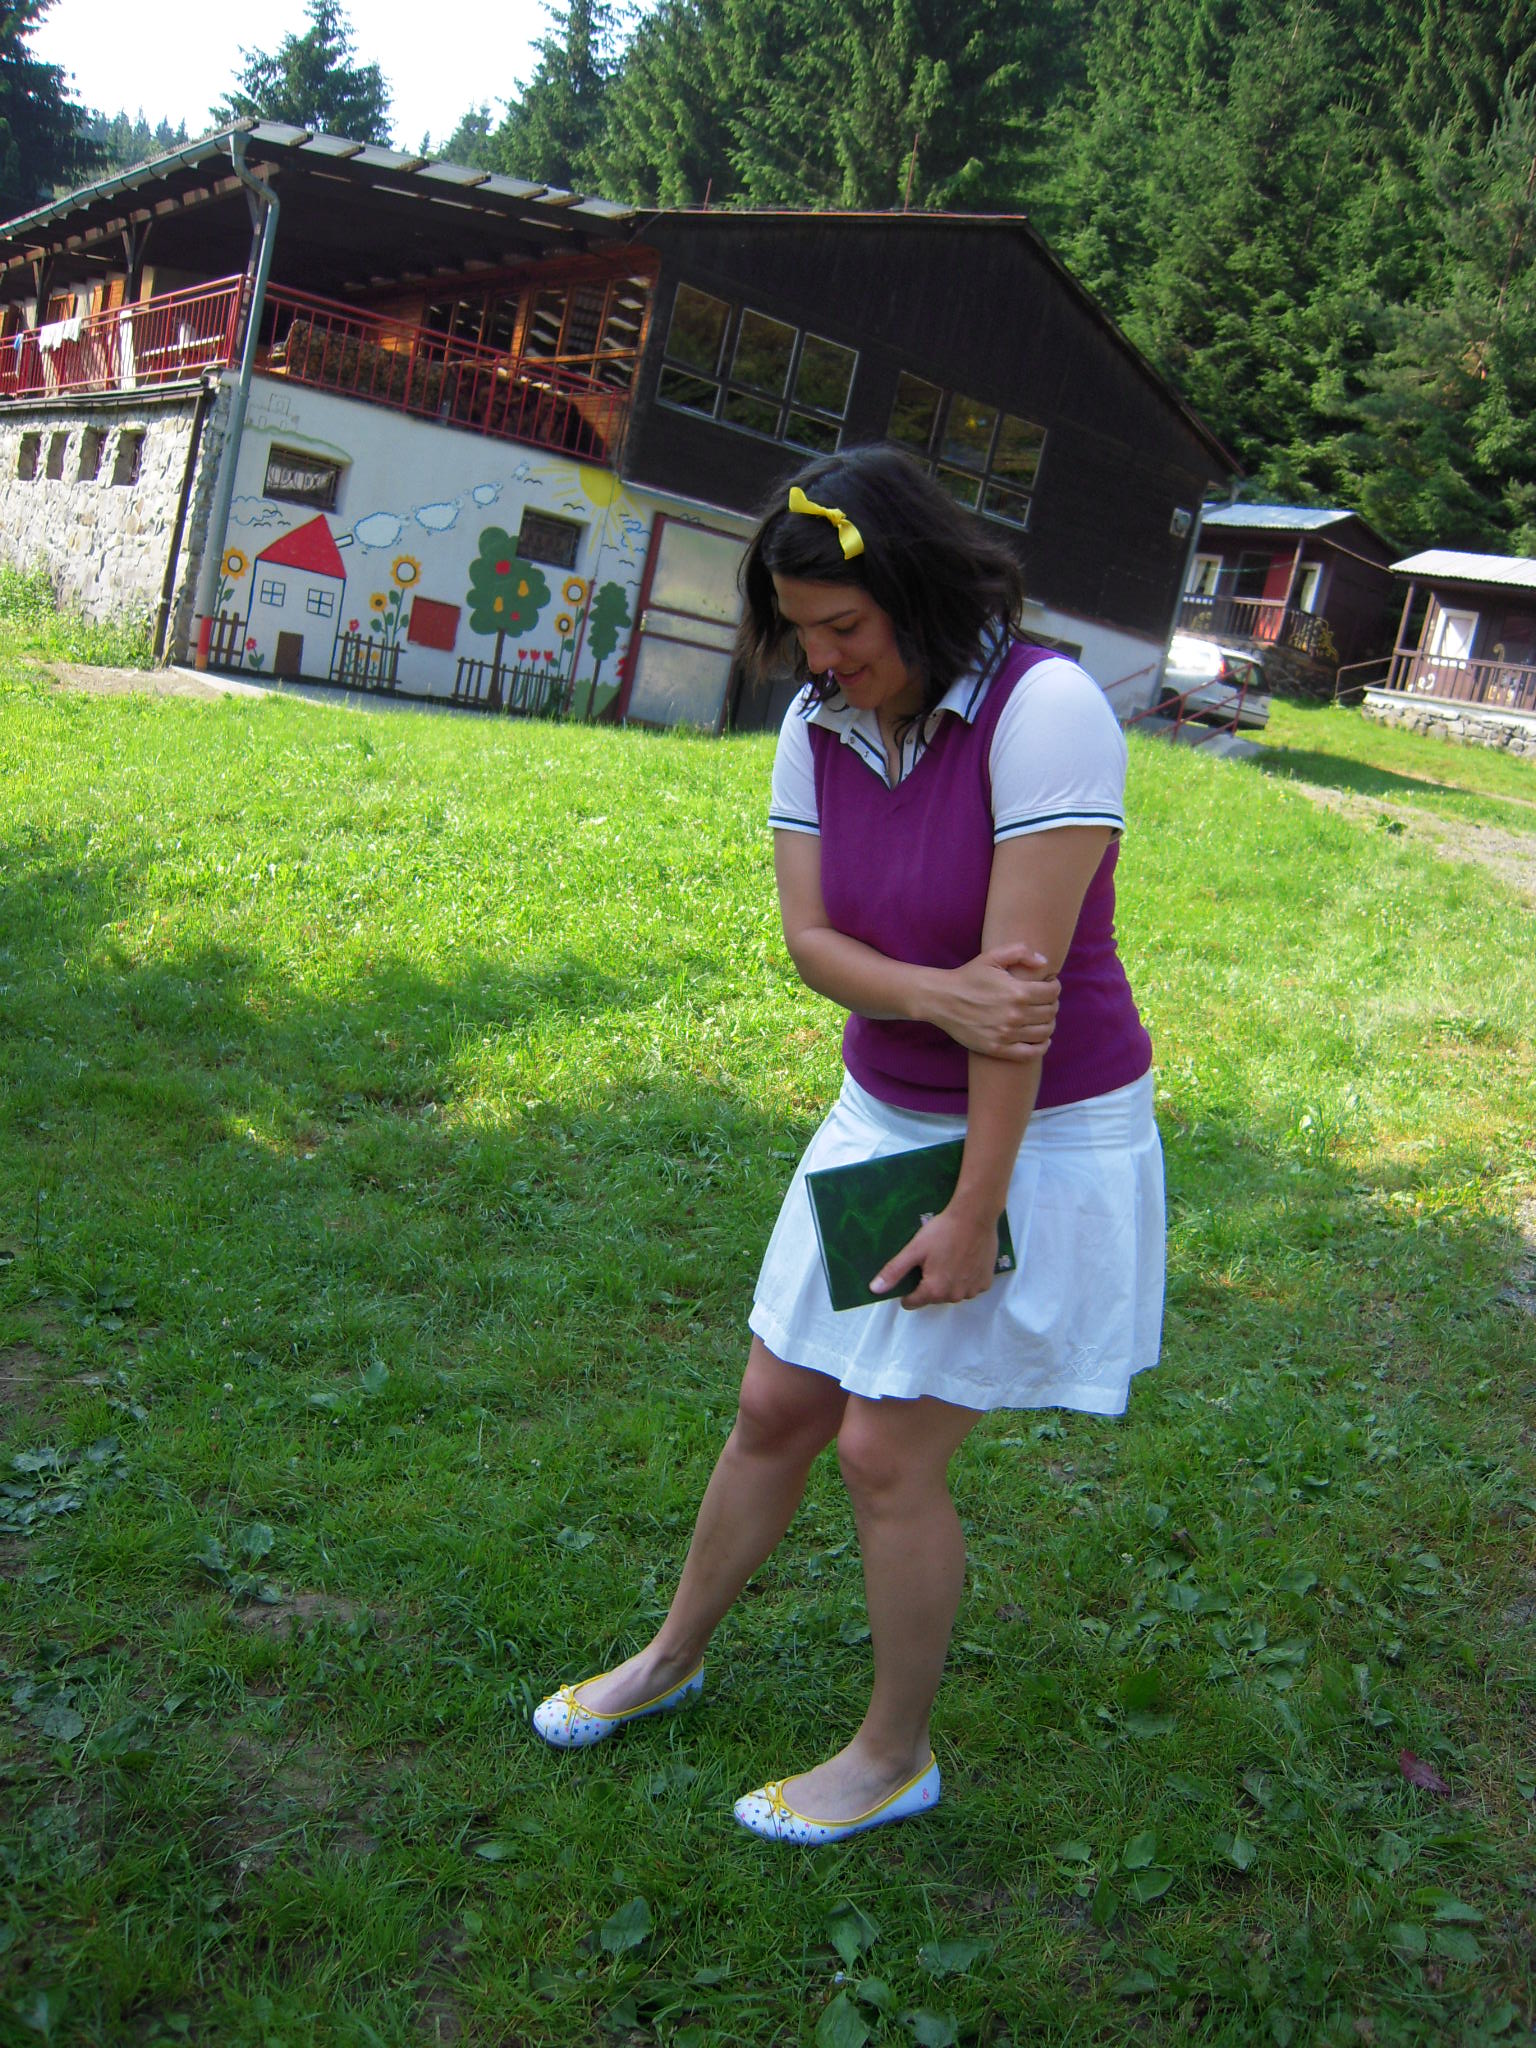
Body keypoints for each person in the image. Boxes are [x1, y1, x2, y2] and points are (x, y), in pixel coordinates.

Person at [533, 444, 1164, 1844]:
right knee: (777, 1405)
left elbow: (1018, 1011)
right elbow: (813, 943)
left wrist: (973, 1212)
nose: (819, 659)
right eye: (800, 631)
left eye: (844, 627)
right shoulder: (820, 720)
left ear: (921, 592)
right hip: (887, 1119)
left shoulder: (1046, 711)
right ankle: (669, 1659)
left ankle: (892, 1756)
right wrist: (929, 996)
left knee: (884, 1451)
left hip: (1035, 1137)